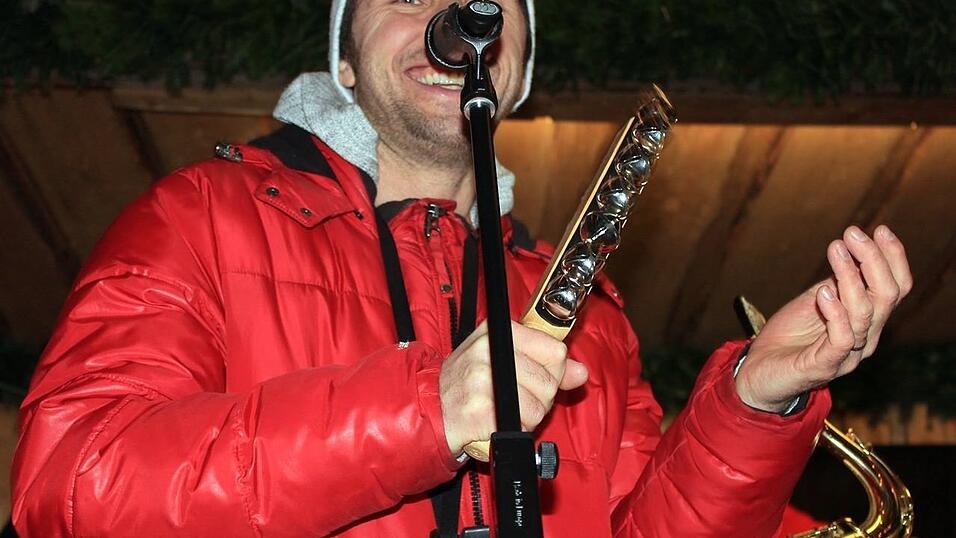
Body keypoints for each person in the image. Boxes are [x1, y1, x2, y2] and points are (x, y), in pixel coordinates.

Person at [11, 1, 913, 536]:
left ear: (514, 67)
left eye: (488, 0)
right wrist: (422, 412)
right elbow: (69, 487)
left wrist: (754, 401)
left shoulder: (587, 305)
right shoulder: (202, 215)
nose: (453, 17)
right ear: (346, 59)